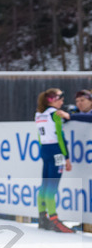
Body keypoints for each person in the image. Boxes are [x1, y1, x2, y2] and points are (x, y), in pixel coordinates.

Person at [34, 88, 74, 232]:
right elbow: (61, 138)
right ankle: (54, 220)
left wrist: (43, 150)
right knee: (52, 187)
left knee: (44, 185)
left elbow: (39, 137)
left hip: (44, 149)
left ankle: (42, 217)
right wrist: (67, 157)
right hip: (56, 150)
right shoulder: (55, 114)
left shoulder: (39, 115)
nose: (62, 103)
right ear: (53, 100)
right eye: (61, 100)